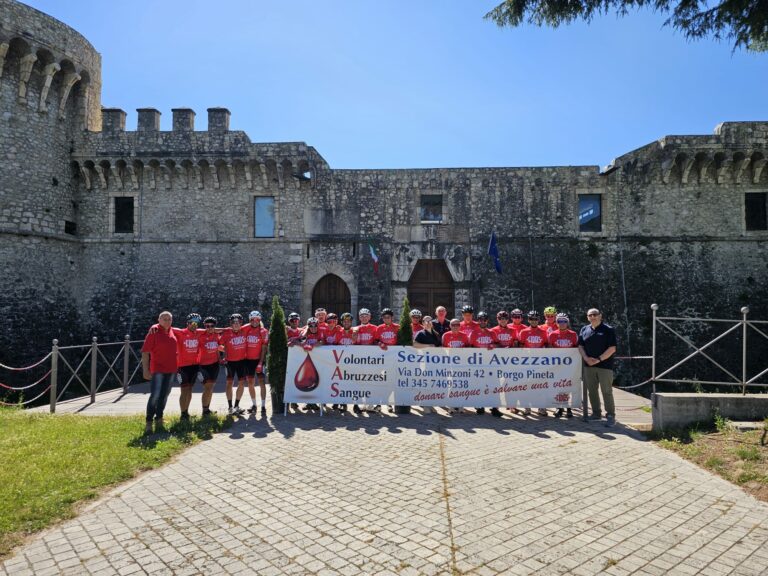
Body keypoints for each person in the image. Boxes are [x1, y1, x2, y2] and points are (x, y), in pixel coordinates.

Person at [579, 308, 618, 426]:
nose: (593, 317)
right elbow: (580, 346)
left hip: (605, 366)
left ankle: (610, 415)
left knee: (606, 391)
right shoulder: (584, 329)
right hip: (588, 366)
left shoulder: (608, 330)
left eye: (595, 314)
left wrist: (598, 359)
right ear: (587, 317)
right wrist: (586, 358)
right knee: (592, 391)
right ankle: (596, 413)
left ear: (600, 316)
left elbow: (612, 348)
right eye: (590, 315)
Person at [141, 311, 178, 434]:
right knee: (155, 395)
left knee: (165, 395)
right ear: (159, 320)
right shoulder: (154, 331)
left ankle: (159, 418)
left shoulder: (173, 331)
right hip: (158, 369)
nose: (167, 321)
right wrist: (145, 369)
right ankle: (148, 422)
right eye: (164, 319)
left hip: (171, 369)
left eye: (169, 319)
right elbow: (145, 352)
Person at [470, 312, 502, 417]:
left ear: (487, 321)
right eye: (480, 319)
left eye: (484, 319)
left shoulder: (492, 332)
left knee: (493, 385)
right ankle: (480, 405)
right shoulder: (473, 333)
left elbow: (498, 344)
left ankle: (494, 407)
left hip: (491, 364)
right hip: (478, 364)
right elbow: (468, 348)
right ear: (478, 321)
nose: (482, 321)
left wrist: (493, 345)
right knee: (479, 385)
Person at [548, 313, 578, 418]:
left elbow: (576, 350)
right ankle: (559, 407)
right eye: (559, 321)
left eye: (564, 321)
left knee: (568, 386)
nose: (562, 323)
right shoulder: (552, 335)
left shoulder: (573, 334)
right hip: (557, 366)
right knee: (557, 386)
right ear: (556, 323)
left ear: (567, 322)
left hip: (570, 366)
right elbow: (549, 351)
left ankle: (568, 408)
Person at [519, 311, 549, 415]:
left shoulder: (544, 332)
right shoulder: (523, 332)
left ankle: (541, 407)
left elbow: (546, 347)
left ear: (539, 320)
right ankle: (527, 407)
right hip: (527, 363)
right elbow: (521, 348)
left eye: (536, 319)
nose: (534, 321)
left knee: (540, 385)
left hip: (540, 363)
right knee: (526, 386)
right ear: (528, 320)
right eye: (532, 319)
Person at [176, 313, 203, 421]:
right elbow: (165, 326)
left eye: (196, 323)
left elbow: (214, 329)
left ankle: (186, 412)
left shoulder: (199, 333)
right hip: (183, 366)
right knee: (184, 390)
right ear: (187, 323)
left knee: (190, 389)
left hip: (194, 366)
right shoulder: (181, 332)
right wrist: (154, 328)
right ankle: (182, 414)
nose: (194, 325)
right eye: (192, 322)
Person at [220, 313, 248, 415]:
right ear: (230, 323)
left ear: (241, 323)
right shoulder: (226, 333)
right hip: (230, 362)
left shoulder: (245, 331)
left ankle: (237, 405)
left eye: (238, 322)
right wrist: (226, 350)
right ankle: (230, 407)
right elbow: (218, 344)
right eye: (233, 322)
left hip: (242, 362)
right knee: (229, 384)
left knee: (241, 383)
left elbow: (257, 324)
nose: (236, 324)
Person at [413, 315, 441, 414]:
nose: (428, 322)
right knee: (425, 384)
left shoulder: (436, 334)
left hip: (434, 363)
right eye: (426, 321)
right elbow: (415, 344)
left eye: (430, 321)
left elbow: (438, 346)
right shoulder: (420, 333)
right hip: (423, 362)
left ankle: (430, 404)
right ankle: (425, 405)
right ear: (423, 323)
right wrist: (428, 346)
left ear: (432, 323)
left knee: (432, 384)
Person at [243, 310, 269, 416]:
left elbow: (264, 348)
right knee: (250, 383)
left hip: (259, 360)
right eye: (252, 320)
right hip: (248, 361)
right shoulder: (246, 328)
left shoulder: (263, 331)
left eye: (257, 319)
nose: (255, 321)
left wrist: (260, 362)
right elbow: (232, 330)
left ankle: (263, 406)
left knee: (262, 382)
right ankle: (254, 404)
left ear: (260, 320)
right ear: (249, 320)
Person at [442, 318, 469, 413]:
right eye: (453, 325)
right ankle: (451, 405)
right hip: (450, 364)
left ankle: (461, 405)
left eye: (457, 325)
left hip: (462, 365)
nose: (455, 327)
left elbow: (468, 349)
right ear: (450, 326)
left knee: (461, 385)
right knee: (451, 385)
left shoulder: (465, 336)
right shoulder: (446, 335)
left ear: (460, 326)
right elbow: (443, 350)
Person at [198, 316, 221, 417]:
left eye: (212, 326)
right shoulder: (200, 335)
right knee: (207, 388)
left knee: (211, 388)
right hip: (203, 366)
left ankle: (207, 409)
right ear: (204, 326)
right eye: (207, 326)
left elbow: (220, 347)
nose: (209, 328)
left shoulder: (217, 336)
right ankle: (204, 411)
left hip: (215, 365)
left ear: (215, 326)